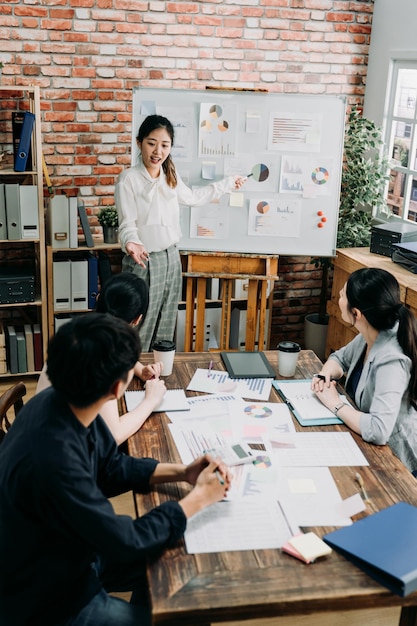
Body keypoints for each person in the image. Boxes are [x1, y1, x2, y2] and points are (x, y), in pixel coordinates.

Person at [0, 314, 231, 626]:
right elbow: (125, 541)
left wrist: (182, 472)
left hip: (68, 552)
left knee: (179, 563)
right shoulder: (56, 462)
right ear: (118, 388)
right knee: (190, 610)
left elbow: (109, 466)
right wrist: (199, 498)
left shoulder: (62, 401)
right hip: (48, 598)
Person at [115, 113, 247, 351]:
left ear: (170, 147)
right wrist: (131, 242)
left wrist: (227, 184)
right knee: (139, 322)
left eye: (164, 145)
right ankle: (131, 375)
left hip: (171, 259)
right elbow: (127, 223)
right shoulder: (129, 179)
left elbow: (195, 198)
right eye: (151, 143)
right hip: (144, 261)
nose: (157, 151)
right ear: (139, 143)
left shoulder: (170, 177)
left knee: (165, 322)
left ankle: (158, 374)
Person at [36, 272, 166, 445]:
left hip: (38, 427)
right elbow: (114, 435)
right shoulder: (104, 355)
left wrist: (140, 370)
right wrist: (151, 401)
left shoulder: (81, 329)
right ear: (137, 319)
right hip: (55, 448)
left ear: (99, 298)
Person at [311, 267, 417, 473]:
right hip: (366, 444)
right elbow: (339, 358)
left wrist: (335, 403)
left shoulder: (392, 361)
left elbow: (378, 430)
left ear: (356, 313)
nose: (339, 297)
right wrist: (325, 375)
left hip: (397, 463)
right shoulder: (371, 331)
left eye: (342, 295)